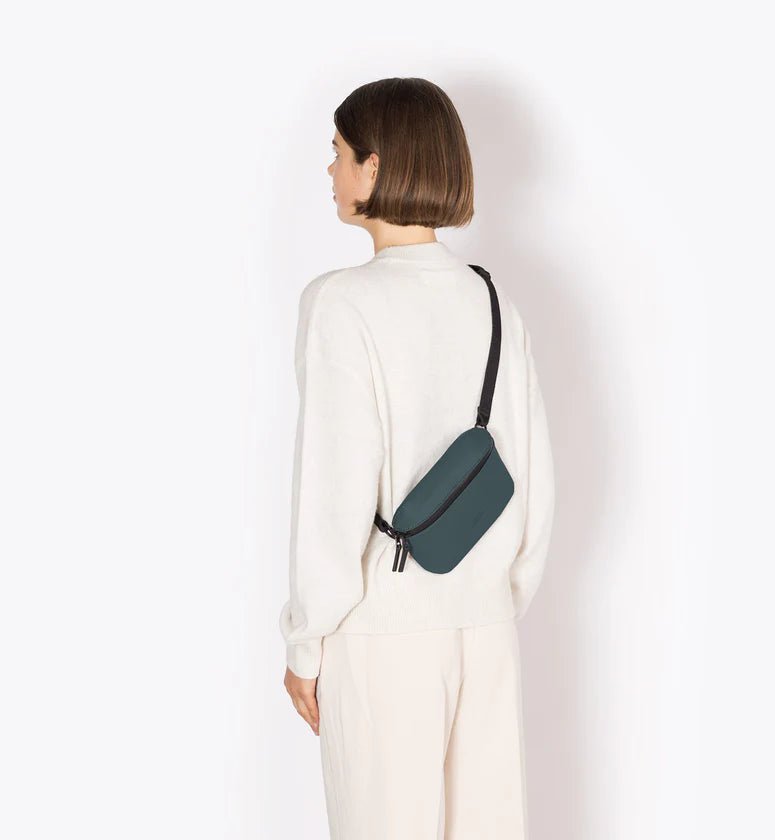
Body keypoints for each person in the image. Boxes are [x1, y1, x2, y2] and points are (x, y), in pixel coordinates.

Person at [279, 77, 555, 840]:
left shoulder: (340, 302)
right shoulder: (492, 300)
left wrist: (306, 642)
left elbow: (334, 487)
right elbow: (533, 482)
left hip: (381, 632)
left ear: (375, 166)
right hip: (486, 628)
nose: (330, 169)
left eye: (338, 153)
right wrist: (491, 595)